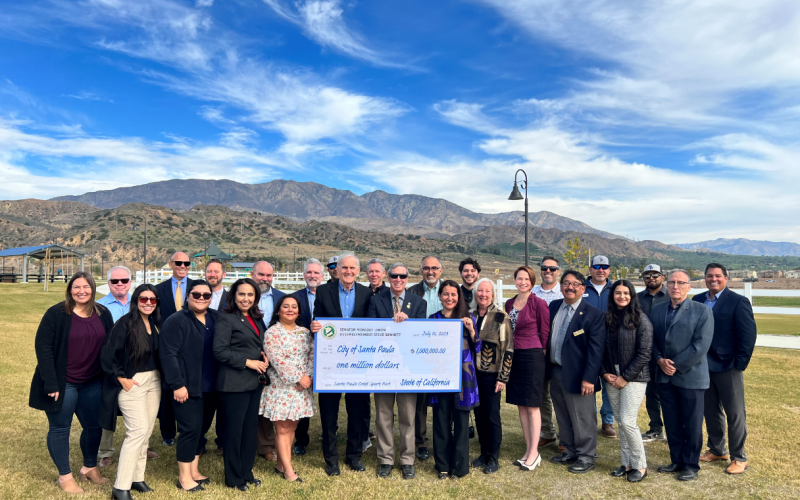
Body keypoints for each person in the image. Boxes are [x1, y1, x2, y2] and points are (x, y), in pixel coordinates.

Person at [29, 271, 114, 494]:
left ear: (93, 289)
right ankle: (65, 477)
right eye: (76, 287)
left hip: (93, 381)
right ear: (70, 290)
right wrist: (51, 382)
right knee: (60, 429)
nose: (81, 291)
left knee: (95, 426)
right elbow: (43, 347)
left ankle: (89, 467)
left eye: (86, 287)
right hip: (63, 382)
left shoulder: (103, 313)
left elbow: (110, 345)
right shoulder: (57, 313)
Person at [310, 253, 372, 476]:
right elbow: (317, 319)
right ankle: (331, 460)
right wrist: (314, 326)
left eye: (352, 268)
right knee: (329, 413)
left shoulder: (366, 293)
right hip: (330, 363)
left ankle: (354, 456)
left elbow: (372, 326)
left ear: (358, 270)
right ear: (337, 269)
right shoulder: (325, 291)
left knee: (357, 411)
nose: (347, 271)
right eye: (343, 267)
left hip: (357, 362)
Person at [693, 263, 757, 475]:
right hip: (703, 366)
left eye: (718, 276)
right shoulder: (698, 300)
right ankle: (717, 449)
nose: (714, 279)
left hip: (728, 365)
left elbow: (748, 336)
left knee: (735, 412)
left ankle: (739, 457)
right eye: (709, 276)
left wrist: (740, 364)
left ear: (726, 278)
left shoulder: (738, 302)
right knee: (710, 411)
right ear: (705, 278)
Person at [366, 263, 427, 479]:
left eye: (402, 276)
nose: (398, 279)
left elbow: (420, 335)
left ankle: (407, 459)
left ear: (407, 278)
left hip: (407, 367)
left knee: (408, 415)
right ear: (389, 277)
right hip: (383, 365)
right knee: (383, 414)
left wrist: (408, 324)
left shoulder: (419, 303)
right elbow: (371, 332)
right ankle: (386, 459)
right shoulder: (376, 300)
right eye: (394, 276)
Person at [101, 284, 162, 500]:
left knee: (146, 432)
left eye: (152, 300)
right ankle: (120, 487)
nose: (148, 303)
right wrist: (120, 377)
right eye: (143, 299)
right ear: (136, 301)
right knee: (136, 432)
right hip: (133, 383)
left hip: (154, 382)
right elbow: (107, 354)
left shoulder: (154, 323)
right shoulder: (125, 324)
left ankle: (137, 478)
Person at [652, 270, 714, 481]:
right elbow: (652, 340)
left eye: (681, 283)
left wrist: (675, 365)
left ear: (689, 287)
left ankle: (690, 464)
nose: (675, 286)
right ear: (666, 285)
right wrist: (659, 359)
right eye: (672, 282)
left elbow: (700, 345)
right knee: (672, 421)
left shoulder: (702, 311)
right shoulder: (657, 310)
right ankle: (676, 460)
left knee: (692, 422)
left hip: (691, 376)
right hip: (664, 376)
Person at [547, 271, 607, 474]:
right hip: (556, 370)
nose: (570, 287)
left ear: (583, 288)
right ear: (561, 286)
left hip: (580, 375)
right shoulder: (554, 306)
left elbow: (596, 351)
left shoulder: (594, 315)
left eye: (575, 284)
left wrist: (589, 378)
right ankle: (569, 449)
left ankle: (586, 455)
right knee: (562, 413)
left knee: (582, 417)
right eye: (566, 283)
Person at [160, 280, 217, 492]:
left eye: (206, 295)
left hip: (210, 387)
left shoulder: (215, 318)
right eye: (196, 294)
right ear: (188, 296)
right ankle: (184, 478)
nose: (201, 298)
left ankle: (194, 470)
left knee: (200, 429)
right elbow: (168, 354)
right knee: (189, 430)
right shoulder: (176, 321)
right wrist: (177, 384)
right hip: (186, 387)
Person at [214, 278, 268, 490]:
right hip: (234, 382)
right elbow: (219, 351)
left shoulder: (256, 318)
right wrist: (248, 362)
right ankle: (233, 477)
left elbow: (256, 344)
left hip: (254, 383)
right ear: (233, 296)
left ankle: (246, 471)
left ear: (255, 297)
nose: (246, 299)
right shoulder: (226, 319)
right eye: (241, 294)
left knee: (249, 429)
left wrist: (264, 357)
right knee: (234, 431)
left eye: (250, 295)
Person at [601, 280, 653, 483]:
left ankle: (640, 465)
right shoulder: (607, 319)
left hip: (634, 377)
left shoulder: (641, 320)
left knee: (628, 420)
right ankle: (627, 463)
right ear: (612, 296)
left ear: (632, 296)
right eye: (617, 293)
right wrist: (605, 373)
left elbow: (644, 353)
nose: (622, 296)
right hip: (611, 375)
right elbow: (600, 350)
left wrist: (626, 377)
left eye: (626, 293)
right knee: (620, 421)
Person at [260, 295, 316, 483]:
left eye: (294, 307)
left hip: (302, 388)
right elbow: (277, 360)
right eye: (286, 306)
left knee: (292, 425)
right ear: (278, 310)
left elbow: (312, 354)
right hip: (281, 387)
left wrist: (307, 377)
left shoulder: (304, 332)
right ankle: (289, 471)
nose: (290, 309)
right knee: (283, 428)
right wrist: (297, 378)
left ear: (299, 311)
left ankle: (281, 464)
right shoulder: (272, 333)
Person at [427, 280, 479, 480]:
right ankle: (442, 466)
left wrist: (472, 331)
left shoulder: (468, 319)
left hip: (463, 380)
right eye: (446, 294)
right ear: (440, 296)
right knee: (440, 422)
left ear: (459, 297)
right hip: (440, 378)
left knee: (461, 424)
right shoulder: (433, 319)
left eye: (453, 294)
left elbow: (479, 348)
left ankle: (459, 467)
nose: (449, 298)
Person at [96, 266, 147, 468]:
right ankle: (105, 451)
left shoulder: (140, 304)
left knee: (140, 406)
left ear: (130, 282)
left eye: (124, 280)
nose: (120, 284)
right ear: (108, 283)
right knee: (108, 406)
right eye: (115, 281)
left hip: (136, 364)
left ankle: (143, 445)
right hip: (112, 364)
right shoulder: (99, 307)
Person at [504, 266, 550, 472]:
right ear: (515, 280)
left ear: (532, 282)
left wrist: (539, 353)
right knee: (521, 406)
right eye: (519, 278)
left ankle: (534, 453)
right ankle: (528, 449)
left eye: (526, 279)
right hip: (514, 356)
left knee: (532, 406)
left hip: (532, 356)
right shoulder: (508, 304)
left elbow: (545, 333)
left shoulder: (539, 304)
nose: (522, 282)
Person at [470, 278, 514, 474]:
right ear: (475, 294)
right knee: (478, 415)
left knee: (491, 415)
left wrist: (502, 378)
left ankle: (493, 457)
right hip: (472, 375)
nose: (483, 294)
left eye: (487, 291)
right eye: (480, 291)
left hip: (492, 374)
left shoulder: (500, 316)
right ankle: (483, 453)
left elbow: (508, 349)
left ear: (493, 294)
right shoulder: (469, 315)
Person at [154, 252, 195, 447]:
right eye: (179, 262)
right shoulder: (158, 289)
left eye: (186, 263)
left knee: (189, 385)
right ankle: (168, 432)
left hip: (192, 345)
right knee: (168, 387)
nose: (183, 266)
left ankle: (187, 428)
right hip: (168, 345)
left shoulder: (197, 287)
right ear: (171, 264)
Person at [408, 255, 444, 461]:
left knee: (443, 399)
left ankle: (442, 438)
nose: (430, 272)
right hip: (418, 352)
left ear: (441, 270)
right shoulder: (411, 292)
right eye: (426, 268)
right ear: (420, 270)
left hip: (443, 352)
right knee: (419, 401)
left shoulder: (448, 291)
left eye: (434, 268)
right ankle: (420, 442)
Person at [251, 261, 285, 463]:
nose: (265, 279)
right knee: (250, 402)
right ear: (252, 274)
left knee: (272, 402)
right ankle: (251, 442)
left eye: (269, 275)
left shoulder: (283, 298)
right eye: (261, 274)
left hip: (277, 356)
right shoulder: (242, 296)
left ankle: (269, 445)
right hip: (249, 356)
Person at [290, 258, 324, 456]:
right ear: (304, 275)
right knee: (302, 393)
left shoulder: (330, 295)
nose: (312, 276)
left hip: (327, 352)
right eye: (309, 272)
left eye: (316, 273)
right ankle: (301, 440)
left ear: (322, 276)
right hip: (302, 355)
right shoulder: (294, 298)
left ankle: (330, 433)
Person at [532, 256, 563, 450]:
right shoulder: (532, 293)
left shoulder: (565, 292)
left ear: (558, 271)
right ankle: (548, 432)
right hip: (537, 350)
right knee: (542, 393)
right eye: (545, 268)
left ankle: (566, 436)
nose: (548, 271)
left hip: (559, 348)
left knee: (560, 393)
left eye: (552, 268)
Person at [583, 255, 616, 439]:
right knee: (588, 383)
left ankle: (608, 421)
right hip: (587, 344)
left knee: (609, 384)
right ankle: (590, 420)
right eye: (597, 266)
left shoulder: (615, 289)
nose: (600, 270)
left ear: (609, 269)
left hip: (610, 345)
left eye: (604, 266)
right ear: (590, 269)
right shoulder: (582, 288)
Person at [637, 264, 669, 443]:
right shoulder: (637, 298)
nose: (651, 278)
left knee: (669, 392)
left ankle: (673, 428)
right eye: (647, 275)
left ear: (662, 277)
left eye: (655, 275)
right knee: (651, 393)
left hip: (666, 352)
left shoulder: (671, 296)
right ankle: (656, 428)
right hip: (645, 353)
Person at [202, 258, 226, 457]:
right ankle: (199, 441)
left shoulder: (231, 298)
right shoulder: (197, 295)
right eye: (209, 271)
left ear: (223, 275)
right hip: (203, 359)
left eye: (216, 271)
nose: (212, 274)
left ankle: (222, 441)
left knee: (224, 405)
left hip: (225, 360)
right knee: (204, 405)